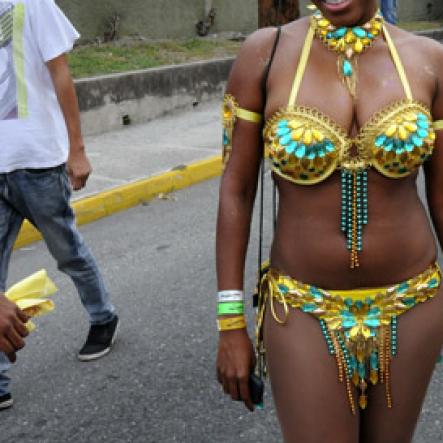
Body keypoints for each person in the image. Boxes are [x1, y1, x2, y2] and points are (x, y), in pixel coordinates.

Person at [216, 0, 443, 441]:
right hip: (302, 308)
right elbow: (237, 191)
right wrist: (230, 321)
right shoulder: (265, 54)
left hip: (413, 305)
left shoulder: (430, 61)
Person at [0, 0, 119, 410]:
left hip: (38, 161)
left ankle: (103, 316)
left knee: (67, 251)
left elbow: (60, 72)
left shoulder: (32, 2)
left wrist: (77, 150)